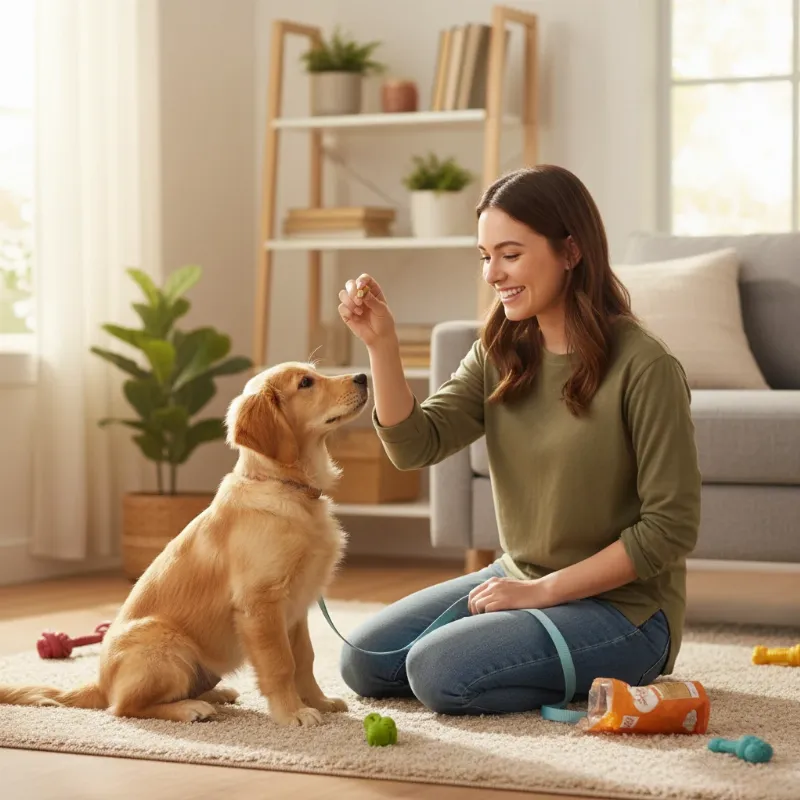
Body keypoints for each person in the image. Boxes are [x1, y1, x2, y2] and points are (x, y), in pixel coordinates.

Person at [335, 164, 701, 716]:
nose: (492, 274)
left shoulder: (645, 366)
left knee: (436, 671)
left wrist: (542, 594)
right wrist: (381, 344)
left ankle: (571, 672)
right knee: (364, 658)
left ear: (570, 251)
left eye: (510, 254)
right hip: (520, 576)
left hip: (625, 613)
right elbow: (415, 446)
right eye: (485, 256)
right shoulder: (501, 352)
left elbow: (670, 528)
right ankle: (518, 652)